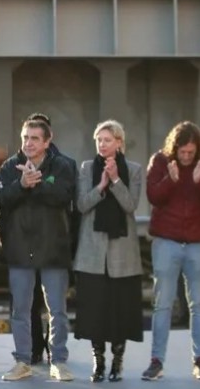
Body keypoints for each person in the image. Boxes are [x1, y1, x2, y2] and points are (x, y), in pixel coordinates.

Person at [143, 121, 200, 380]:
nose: (186, 157)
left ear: (197, 149)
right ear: (174, 148)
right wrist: (171, 179)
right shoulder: (160, 161)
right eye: (182, 152)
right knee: (163, 304)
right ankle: (157, 361)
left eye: (190, 152)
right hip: (167, 241)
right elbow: (153, 196)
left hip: (199, 243)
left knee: (198, 304)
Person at [0, 119, 75, 382]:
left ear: (46, 142)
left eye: (34, 138)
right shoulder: (10, 166)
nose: (28, 143)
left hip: (53, 248)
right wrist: (21, 184)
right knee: (20, 310)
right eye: (25, 137)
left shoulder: (62, 165)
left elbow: (64, 196)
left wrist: (37, 182)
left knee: (57, 310)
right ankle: (22, 361)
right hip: (20, 249)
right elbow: (1, 199)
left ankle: (59, 361)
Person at [73, 119, 144, 383]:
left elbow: (130, 205)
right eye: (99, 140)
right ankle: (98, 361)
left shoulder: (134, 170)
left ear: (119, 142)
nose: (102, 144)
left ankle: (117, 362)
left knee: (119, 310)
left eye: (107, 140)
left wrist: (115, 179)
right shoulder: (87, 168)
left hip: (122, 254)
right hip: (92, 253)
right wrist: (101, 185)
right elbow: (81, 204)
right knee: (94, 311)